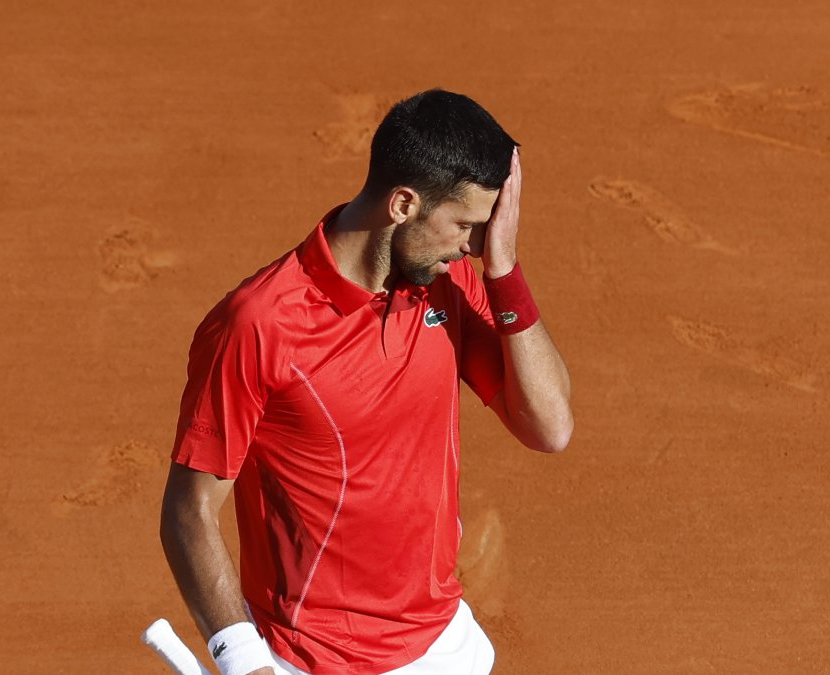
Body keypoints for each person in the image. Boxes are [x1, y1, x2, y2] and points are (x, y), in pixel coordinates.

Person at [159, 89, 573, 675]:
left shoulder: (449, 284)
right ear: (404, 204)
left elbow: (550, 427)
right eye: (466, 226)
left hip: (440, 644)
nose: (472, 247)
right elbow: (189, 511)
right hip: (311, 659)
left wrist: (503, 270)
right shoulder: (259, 325)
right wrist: (242, 660)